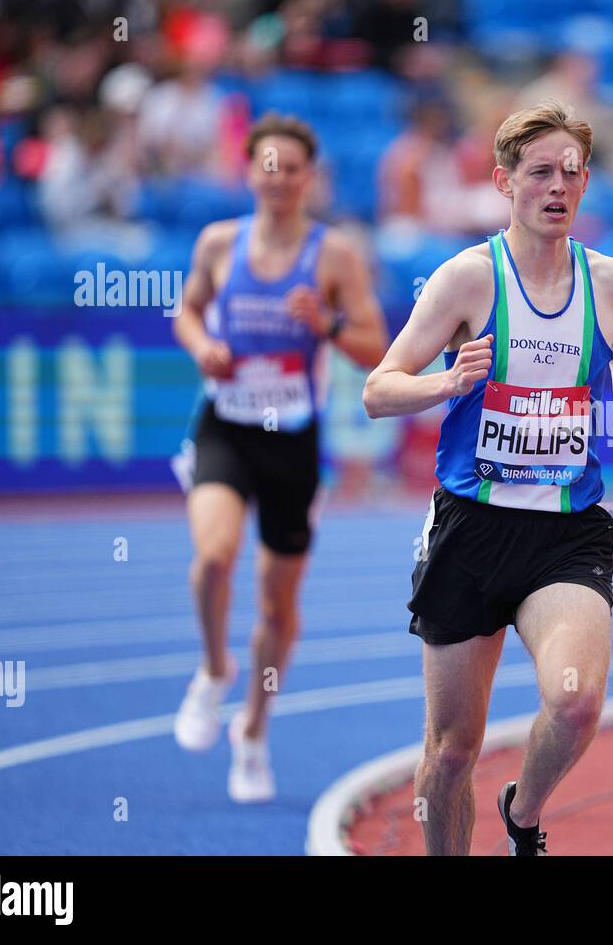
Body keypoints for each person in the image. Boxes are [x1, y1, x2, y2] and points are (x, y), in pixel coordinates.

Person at [363, 99, 613, 854]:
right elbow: (378, 389)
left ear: (586, 183)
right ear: (503, 182)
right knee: (452, 751)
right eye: (539, 172)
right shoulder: (466, 280)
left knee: (575, 702)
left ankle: (522, 817)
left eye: (571, 173)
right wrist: (443, 385)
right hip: (472, 525)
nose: (557, 187)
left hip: (566, 531)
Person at [170, 112, 388, 802]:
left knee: (277, 604)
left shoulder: (334, 256)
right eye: (269, 165)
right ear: (250, 171)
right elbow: (187, 310)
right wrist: (203, 347)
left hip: (291, 438)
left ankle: (255, 732)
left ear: (308, 179)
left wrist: (321, 322)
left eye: (293, 168)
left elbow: (376, 347)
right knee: (212, 556)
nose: (280, 178)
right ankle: (212, 670)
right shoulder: (219, 243)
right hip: (226, 426)